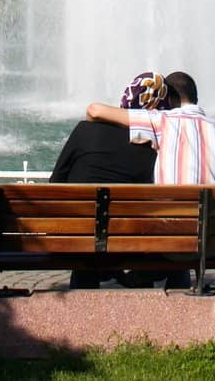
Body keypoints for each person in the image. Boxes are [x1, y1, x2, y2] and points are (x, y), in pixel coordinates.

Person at [51, 70, 171, 289]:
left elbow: (56, 181)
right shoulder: (152, 148)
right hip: (127, 243)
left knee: (88, 237)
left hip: (74, 238)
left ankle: (81, 308)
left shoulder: (84, 130)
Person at [85, 70, 215, 185]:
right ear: (195, 98)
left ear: (169, 100)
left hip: (171, 226)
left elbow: (95, 110)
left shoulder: (161, 121)